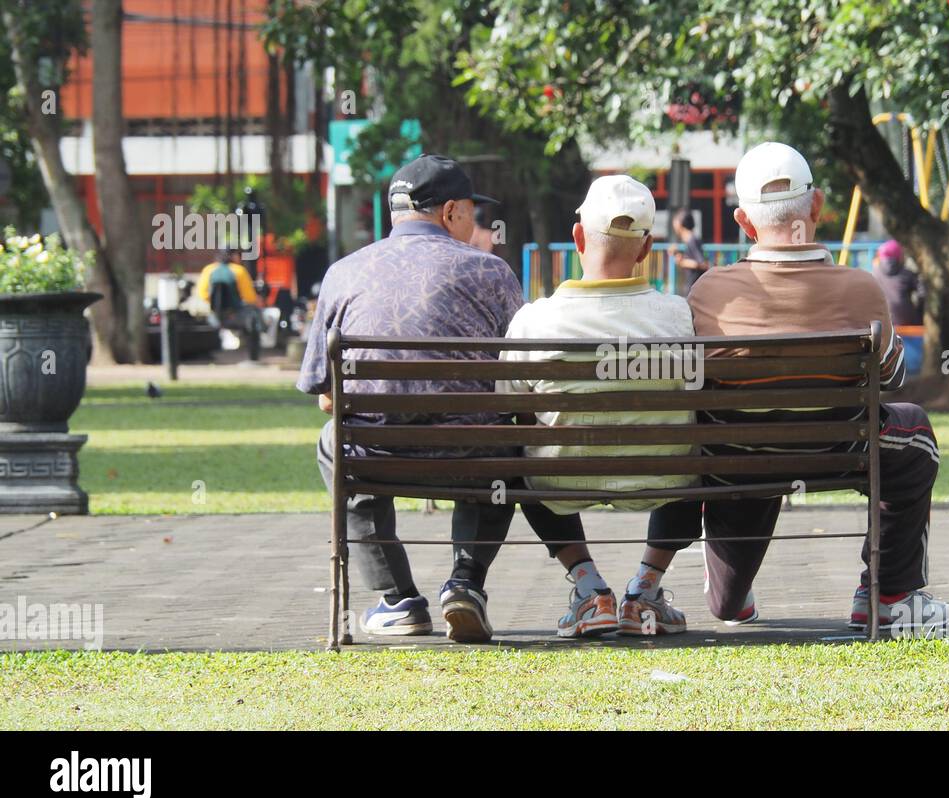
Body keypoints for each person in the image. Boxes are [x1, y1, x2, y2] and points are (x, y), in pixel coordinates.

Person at [651, 141, 947, 632]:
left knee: (726, 606)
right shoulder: (862, 289)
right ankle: (889, 595)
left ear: (745, 222)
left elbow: (690, 386)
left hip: (739, 460)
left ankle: (732, 591)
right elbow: (892, 380)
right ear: (817, 205)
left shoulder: (709, 292)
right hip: (837, 447)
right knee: (914, 433)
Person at [297, 154, 522, 643]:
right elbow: (518, 380)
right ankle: (465, 583)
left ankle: (398, 599)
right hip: (475, 458)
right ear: (448, 212)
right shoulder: (493, 272)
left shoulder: (342, 273)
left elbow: (325, 398)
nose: (477, 223)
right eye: (471, 212)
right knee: (509, 441)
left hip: (377, 455)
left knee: (333, 440)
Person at [498, 175, 697, 638]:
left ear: (578, 237)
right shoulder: (680, 317)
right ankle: (645, 591)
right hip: (663, 480)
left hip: (557, 482)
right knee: (699, 451)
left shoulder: (533, 321)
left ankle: (590, 590)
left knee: (513, 450)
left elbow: (512, 411)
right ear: (646, 248)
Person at [196, 249, 264, 361]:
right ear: (233, 256)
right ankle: (253, 355)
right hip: (237, 317)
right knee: (254, 315)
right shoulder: (239, 270)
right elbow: (250, 298)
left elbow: (203, 295)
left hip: (213, 318)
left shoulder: (208, 270)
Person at [870, 239, 924, 326]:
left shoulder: (873, 274)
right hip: (906, 322)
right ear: (899, 256)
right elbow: (923, 292)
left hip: (880, 324)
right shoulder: (907, 274)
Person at [670, 209, 710, 292]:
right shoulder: (689, 240)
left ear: (679, 223)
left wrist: (682, 262)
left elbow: (702, 264)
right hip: (693, 286)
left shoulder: (692, 240)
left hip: (696, 288)